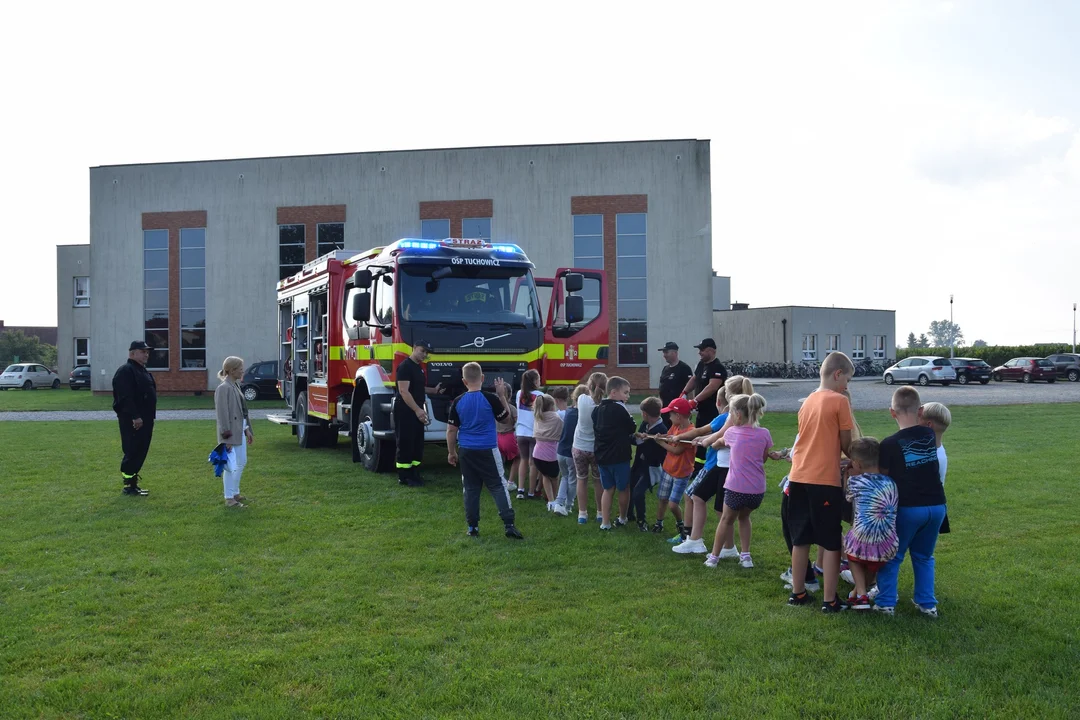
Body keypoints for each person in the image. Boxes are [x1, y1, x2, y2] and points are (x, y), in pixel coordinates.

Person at [785, 351, 855, 612]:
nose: (847, 386)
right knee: (830, 540)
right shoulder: (839, 401)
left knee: (800, 538)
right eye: (847, 379)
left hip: (798, 476)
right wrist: (857, 459)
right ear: (838, 375)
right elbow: (846, 443)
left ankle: (798, 593)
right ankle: (830, 600)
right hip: (823, 480)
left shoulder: (808, 401)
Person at [874, 387, 947, 617]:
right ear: (921, 411)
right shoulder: (928, 436)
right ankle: (927, 604)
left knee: (893, 555)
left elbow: (883, 476)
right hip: (937, 507)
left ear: (891, 413)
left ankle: (885, 602)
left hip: (907, 508)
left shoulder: (888, 444)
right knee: (924, 556)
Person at [673, 375, 753, 556]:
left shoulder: (736, 413)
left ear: (730, 393)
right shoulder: (740, 411)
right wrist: (704, 439)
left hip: (727, 466)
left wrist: (707, 442)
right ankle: (698, 541)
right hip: (722, 463)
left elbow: (723, 435)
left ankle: (726, 547)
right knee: (700, 498)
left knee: (721, 510)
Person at [446, 363, 523, 539]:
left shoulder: (458, 401)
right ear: (482, 378)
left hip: (466, 450)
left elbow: (451, 430)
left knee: (471, 489)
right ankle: (509, 525)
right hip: (488, 448)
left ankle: (473, 527)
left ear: (464, 381)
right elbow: (506, 420)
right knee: (498, 486)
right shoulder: (491, 398)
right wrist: (502, 396)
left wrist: (451, 452)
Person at [704, 393, 772, 569]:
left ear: (738, 415)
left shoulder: (732, 432)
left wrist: (713, 443)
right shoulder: (764, 434)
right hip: (756, 490)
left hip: (736, 487)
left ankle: (713, 557)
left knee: (726, 520)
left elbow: (716, 443)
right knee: (744, 518)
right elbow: (763, 458)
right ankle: (746, 556)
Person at [842, 437, 898, 611]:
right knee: (872, 558)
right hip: (888, 543)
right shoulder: (891, 482)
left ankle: (860, 594)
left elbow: (847, 497)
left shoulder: (855, 482)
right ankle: (856, 592)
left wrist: (846, 476)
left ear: (857, 464)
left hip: (863, 540)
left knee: (851, 549)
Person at [111, 340, 158, 496]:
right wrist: (135, 416)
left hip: (146, 419)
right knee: (132, 450)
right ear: (132, 353)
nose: (146, 354)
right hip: (133, 420)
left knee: (141, 450)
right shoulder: (126, 371)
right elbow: (125, 397)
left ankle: (133, 484)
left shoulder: (142, 370)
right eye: (143, 351)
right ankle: (128, 486)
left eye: (147, 352)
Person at [394, 339, 442, 487]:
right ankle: (404, 476)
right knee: (406, 442)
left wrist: (434, 390)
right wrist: (417, 410)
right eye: (422, 351)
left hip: (416, 409)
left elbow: (418, 388)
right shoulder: (405, 367)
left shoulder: (418, 368)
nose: (424, 354)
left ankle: (415, 473)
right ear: (414, 348)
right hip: (405, 410)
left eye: (426, 352)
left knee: (417, 443)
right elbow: (403, 391)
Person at [592, 376, 636, 529]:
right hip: (619, 455)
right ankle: (622, 517)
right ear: (614, 392)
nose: (627, 396)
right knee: (623, 488)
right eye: (625, 392)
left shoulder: (597, 409)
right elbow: (632, 428)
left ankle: (605, 522)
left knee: (608, 488)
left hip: (602, 455)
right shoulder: (620, 407)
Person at [649, 398, 696, 539]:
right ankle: (659, 523)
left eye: (670, 414)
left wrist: (659, 442)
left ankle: (681, 524)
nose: (668, 417)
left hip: (681, 473)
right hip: (668, 469)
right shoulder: (675, 427)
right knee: (662, 499)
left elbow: (676, 450)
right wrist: (661, 436)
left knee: (673, 504)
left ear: (678, 416)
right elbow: (670, 436)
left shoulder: (690, 432)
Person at [680, 338, 728, 469]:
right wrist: (684, 392)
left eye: (702, 350)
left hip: (713, 410)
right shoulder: (702, 364)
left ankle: (710, 466)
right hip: (702, 410)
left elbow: (712, 386)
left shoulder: (717, 367)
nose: (699, 352)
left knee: (709, 437)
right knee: (699, 436)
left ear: (711, 351)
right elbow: (694, 379)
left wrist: (695, 400)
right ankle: (698, 467)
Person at [214, 356, 254, 508]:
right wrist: (227, 438)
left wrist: (247, 429)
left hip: (240, 431)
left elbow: (241, 412)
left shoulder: (235, 386)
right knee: (231, 465)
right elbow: (223, 415)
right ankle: (229, 498)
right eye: (240, 368)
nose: (243, 370)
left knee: (241, 462)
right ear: (231, 370)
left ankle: (235, 492)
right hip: (231, 435)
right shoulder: (223, 388)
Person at [573, 372, 608, 524]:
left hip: (579, 446)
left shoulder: (581, 399)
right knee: (597, 481)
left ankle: (582, 514)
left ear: (589, 385)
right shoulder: (605, 405)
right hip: (596, 449)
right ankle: (600, 512)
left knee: (581, 479)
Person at [628, 396, 667, 531]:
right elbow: (636, 440)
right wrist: (637, 437)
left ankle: (641, 521)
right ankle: (629, 515)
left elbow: (659, 454)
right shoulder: (645, 424)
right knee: (630, 486)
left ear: (645, 413)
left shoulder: (661, 429)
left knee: (638, 492)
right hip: (639, 462)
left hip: (651, 467)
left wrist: (647, 441)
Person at [553, 385, 587, 517]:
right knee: (573, 479)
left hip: (560, 450)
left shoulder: (568, 412)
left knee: (565, 477)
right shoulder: (582, 415)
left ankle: (559, 502)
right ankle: (569, 505)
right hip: (572, 452)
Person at [920, 401, 952, 534]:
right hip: (935, 508)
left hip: (925, 509)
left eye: (918, 418)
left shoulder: (931, 457)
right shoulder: (939, 450)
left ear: (928, 425)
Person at [512, 369, 544, 500]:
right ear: (535, 381)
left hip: (520, 432)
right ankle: (531, 491)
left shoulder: (519, 393)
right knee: (533, 463)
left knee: (523, 460)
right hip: (534, 433)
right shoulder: (540, 395)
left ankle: (520, 489)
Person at [532, 394, 564, 509]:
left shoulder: (537, 417)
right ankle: (555, 499)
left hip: (537, 454)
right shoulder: (556, 418)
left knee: (545, 475)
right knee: (555, 478)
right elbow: (562, 432)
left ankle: (550, 501)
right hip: (551, 454)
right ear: (552, 406)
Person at [657, 342, 693, 425]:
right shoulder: (665, 369)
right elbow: (661, 388)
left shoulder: (684, 368)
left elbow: (690, 389)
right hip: (665, 408)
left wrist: (689, 408)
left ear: (675, 353)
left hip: (677, 410)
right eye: (663, 353)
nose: (664, 355)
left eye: (666, 352)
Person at [495, 378, 519, 487]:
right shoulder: (512, 408)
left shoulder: (495, 408)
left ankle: (500, 480)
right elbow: (517, 423)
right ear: (510, 395)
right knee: (518, 458)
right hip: (509, 437)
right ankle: (510, 482)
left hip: (497, 437)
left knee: (500, 461)